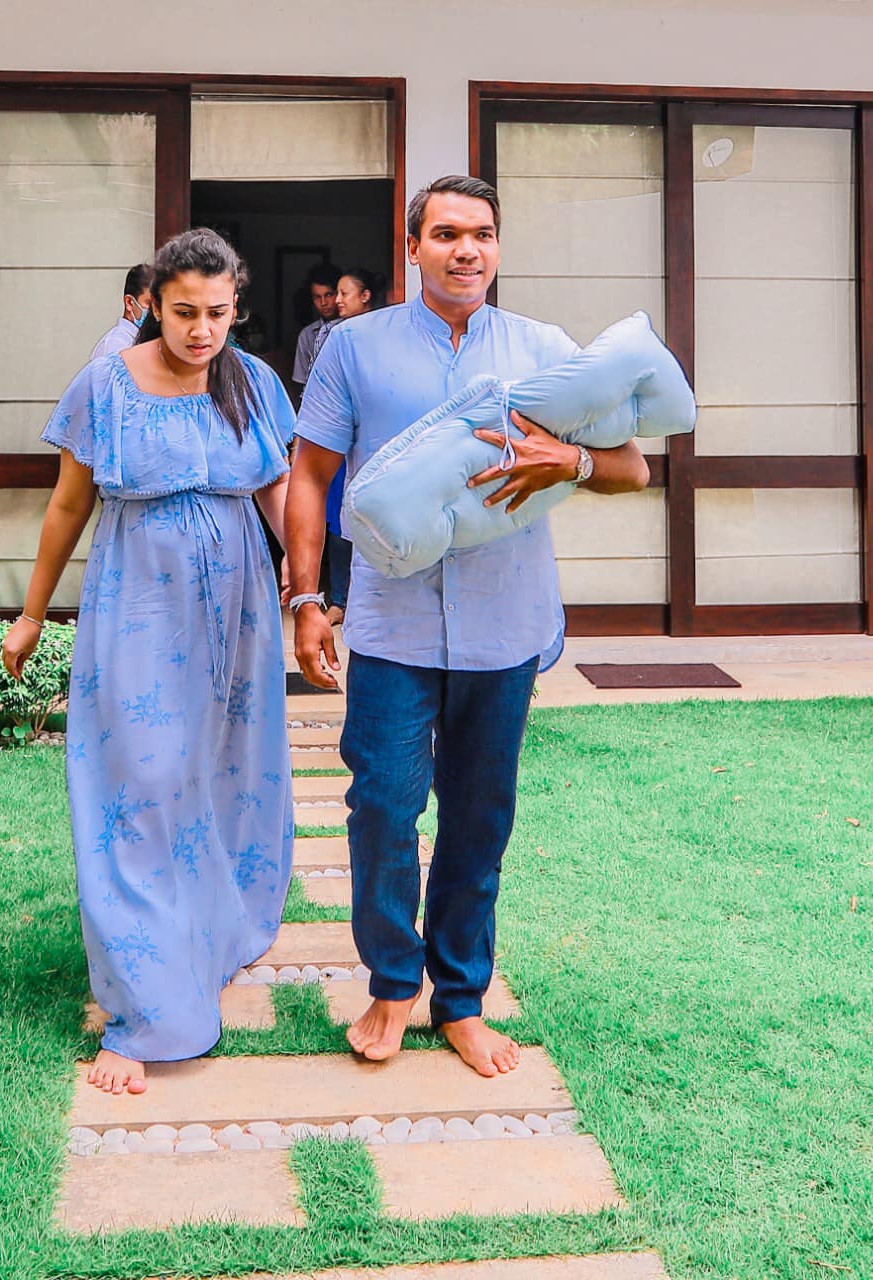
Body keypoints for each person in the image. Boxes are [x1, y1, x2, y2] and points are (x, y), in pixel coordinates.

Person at [285, 176, 650, 1078]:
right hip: (391, 625)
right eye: (446, 233)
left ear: (498, 246)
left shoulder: (546, 351)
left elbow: (632, 467)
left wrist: (569, 460)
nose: (466, 250)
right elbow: (310, 473)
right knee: (382, 807)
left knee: (479, 818)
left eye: (482, 234)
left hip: (505, 620)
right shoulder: (354, 347)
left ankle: (459, 999)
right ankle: (390, 982)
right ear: (413, 246)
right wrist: (305, 598)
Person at [3, 229, 296, 1097]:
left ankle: (204, 938)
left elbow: (280, 490)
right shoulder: (106, 386)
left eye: (217, 313)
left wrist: (310, 590)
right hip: (140, 603)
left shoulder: (255, 383)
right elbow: (67, 505)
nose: (201, 331)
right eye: (184, 313)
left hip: (239, 607)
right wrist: (30, 614)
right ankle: (145, 1009)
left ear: (236, 307)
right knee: (141, 782)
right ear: (150, 306)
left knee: (226, 774)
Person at [323, 267, 384, 625]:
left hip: (372, 440)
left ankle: (369, 598)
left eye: (345, 293)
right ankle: (339, 599)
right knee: (337, 519)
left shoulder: (383, 335)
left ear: (365, 296)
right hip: (337, 438)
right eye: (337, 293)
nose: (338, 300)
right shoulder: (332, 335)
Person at [292, 263, 342, 391]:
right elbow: (301, 382)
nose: (323, 303)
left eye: (329, 295)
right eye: (317, 297)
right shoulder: (307, 335)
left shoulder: (351, 329)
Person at [89, 263, 154, 360]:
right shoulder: (116, 345)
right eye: (150, 303)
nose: (156, 311)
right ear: (129, 302)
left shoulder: (146, 341)